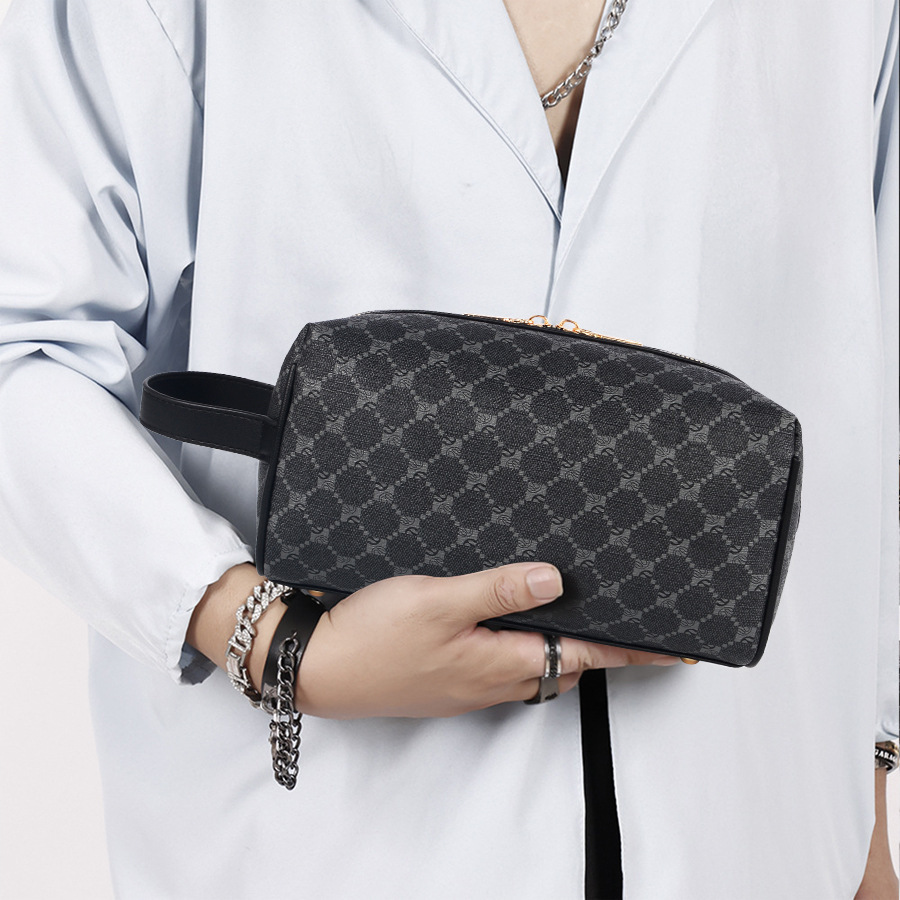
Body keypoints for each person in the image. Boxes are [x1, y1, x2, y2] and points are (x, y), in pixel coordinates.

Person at [0, 1, 897, 897]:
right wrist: (279, 643)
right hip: (322, 835)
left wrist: (864, 805)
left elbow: (864, 371)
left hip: (753, 827)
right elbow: (25, 350)